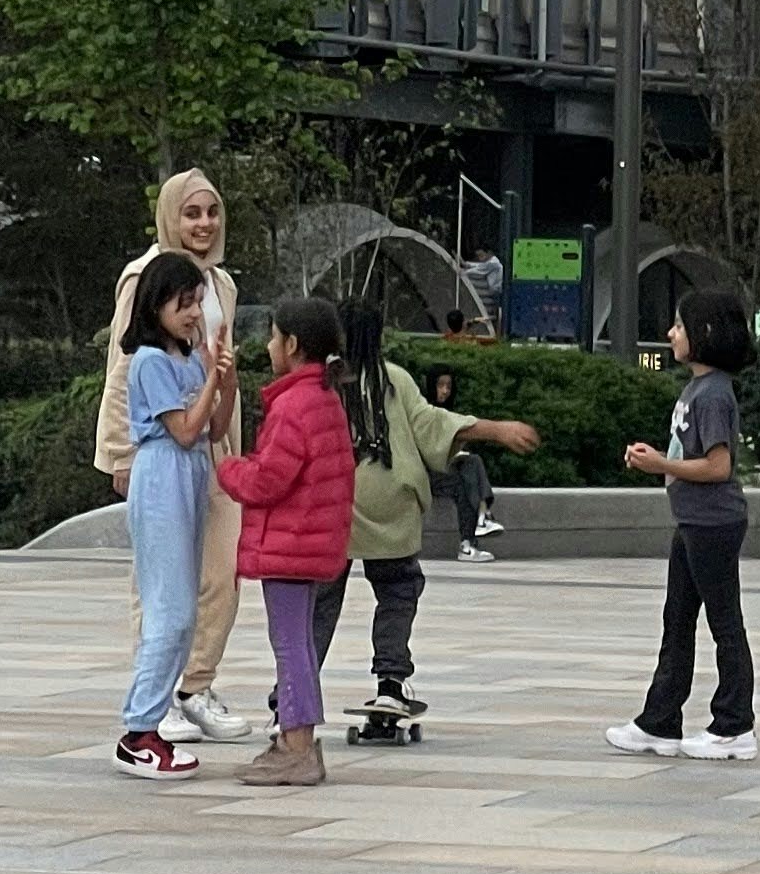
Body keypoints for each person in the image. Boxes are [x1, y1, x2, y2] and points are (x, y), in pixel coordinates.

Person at [314, 301, 539, 720]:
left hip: (334, 503)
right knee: (398, 590)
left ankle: (295, 689)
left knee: (321, 601)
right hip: (390, 499)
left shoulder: (319, 384)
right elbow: (434, 423)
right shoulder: (393, 379)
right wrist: (496, 428)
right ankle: (390, 684)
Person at [93, 170, 250, 744]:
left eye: (211, 212)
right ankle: (155, 701)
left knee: (223, 575)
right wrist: (119, 455)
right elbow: (121, 367)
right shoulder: (145, 277)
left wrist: (235, 448)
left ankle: (196, 685)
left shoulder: (222, 284)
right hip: (159, 450)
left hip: (213, 450)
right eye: (191, 213)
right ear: (169, 218)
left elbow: (222, 368)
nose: (203, 224)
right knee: (163, 584)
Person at [605, 283, 758, 762]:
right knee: (678, 621)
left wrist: (661, 466)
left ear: (704, 333)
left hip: (712, 523)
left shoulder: (713, 394)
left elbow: (718, 467)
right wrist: (657, 461)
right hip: (694, 521)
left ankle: (735, 726)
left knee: (723, 623)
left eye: (679, 326)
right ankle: (660, 721)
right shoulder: (699, 389)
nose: (670, 334)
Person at [213, 293, 358, 788]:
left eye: (275, 337)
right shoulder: (325, 398)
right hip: (313, 545)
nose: (270, 345)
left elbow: (269, 479)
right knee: (300, 644)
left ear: (292, 344)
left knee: (291, 645)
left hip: (289, 548)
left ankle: (296, 745)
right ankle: (297, 742)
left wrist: (228, 468)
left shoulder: (293, 405)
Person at [113, 256, 233, 779]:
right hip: (162, 475)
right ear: (155, 306)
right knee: (170, 609)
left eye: (197, 302)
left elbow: (215, 427)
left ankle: (149, 726)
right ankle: (139, 729)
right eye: (182, 304)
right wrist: (209, 376)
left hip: (189, 475)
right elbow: (183, 429)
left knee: (184, 608)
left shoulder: (185, 358)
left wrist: (223, 377)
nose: (192, 314)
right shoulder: (148, 361)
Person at [422, 317, 506, 557]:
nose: (445, 391)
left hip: (443, 467)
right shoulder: (423, 410)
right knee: (462, 482)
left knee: (473, 462)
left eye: (448, 386)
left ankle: (482, 516)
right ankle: (468, 541)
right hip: (425, 471)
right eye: (441, 386)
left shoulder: (449, 412)